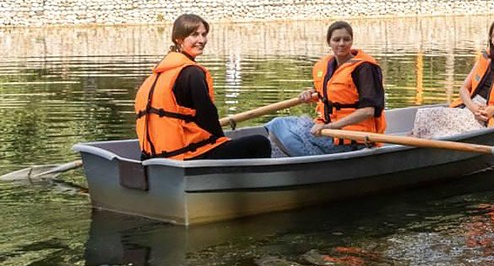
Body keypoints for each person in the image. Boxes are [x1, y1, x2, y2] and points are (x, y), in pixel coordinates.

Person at [135, 13, 272, 161]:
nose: (201, 40)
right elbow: (207, 117)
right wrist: (222, 142)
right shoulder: (192, 73)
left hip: (153, 158)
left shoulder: (154, 77)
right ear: (178, 39)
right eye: (194, 35)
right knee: (261, 143)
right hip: (188, 157)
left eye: (204, 34)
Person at [265, 21, 386, 156]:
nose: (341, 44)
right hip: (327, 130)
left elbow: (368, 111)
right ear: (329, 42)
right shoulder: (327, 66)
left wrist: (331, 126)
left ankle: (313, 159)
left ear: (352, 41)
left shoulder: (365, 68)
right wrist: (310, 92)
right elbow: (327, 92)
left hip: (353, 139)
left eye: (346, 39)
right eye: (336, 40)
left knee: (279, 127)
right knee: (279, 123)